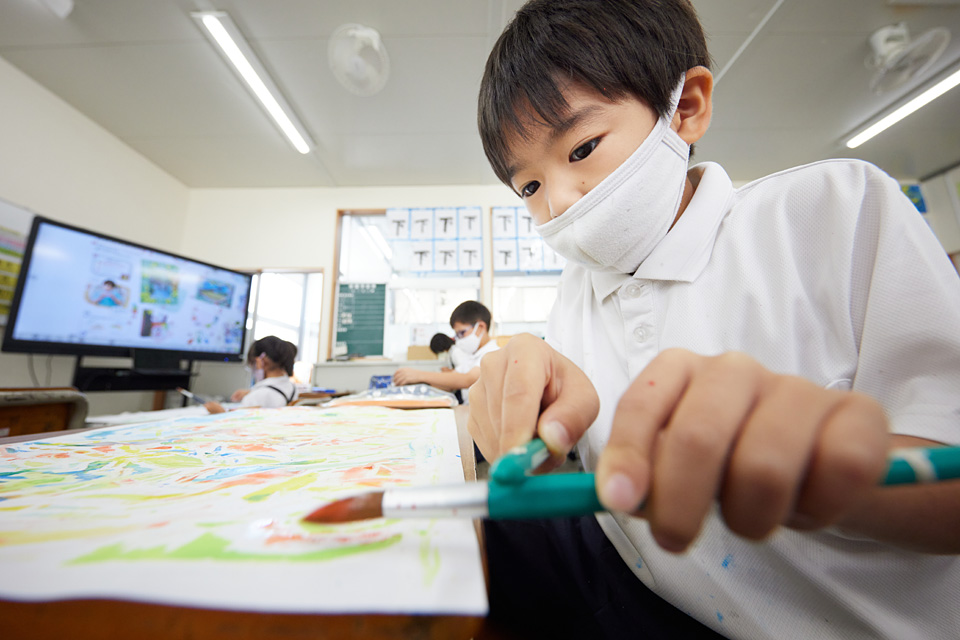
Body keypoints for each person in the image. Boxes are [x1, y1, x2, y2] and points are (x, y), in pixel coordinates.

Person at [468, 1, 960, 638]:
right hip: (640, 586)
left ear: (686, 108)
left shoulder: (835, 211)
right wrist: (531, 431)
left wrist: (814, 465)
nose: (559, 202)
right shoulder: (576, 290)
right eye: (529, 188)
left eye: (583, 148)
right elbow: (575, 467)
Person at [392, 301, 499, 397]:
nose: (459, 339)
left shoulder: (493, 354)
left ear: (480, 327)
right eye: (457, 335)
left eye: (462, 333)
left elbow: (468, 379)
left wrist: (419, 375)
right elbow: (452, 383)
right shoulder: (471, 356)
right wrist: (416, 382)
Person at [205, 335, 299, 413]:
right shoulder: (293, 388)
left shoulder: (258, 396)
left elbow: (239, 423)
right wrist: (251, 391)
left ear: (260, 361)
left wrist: (221, 412)